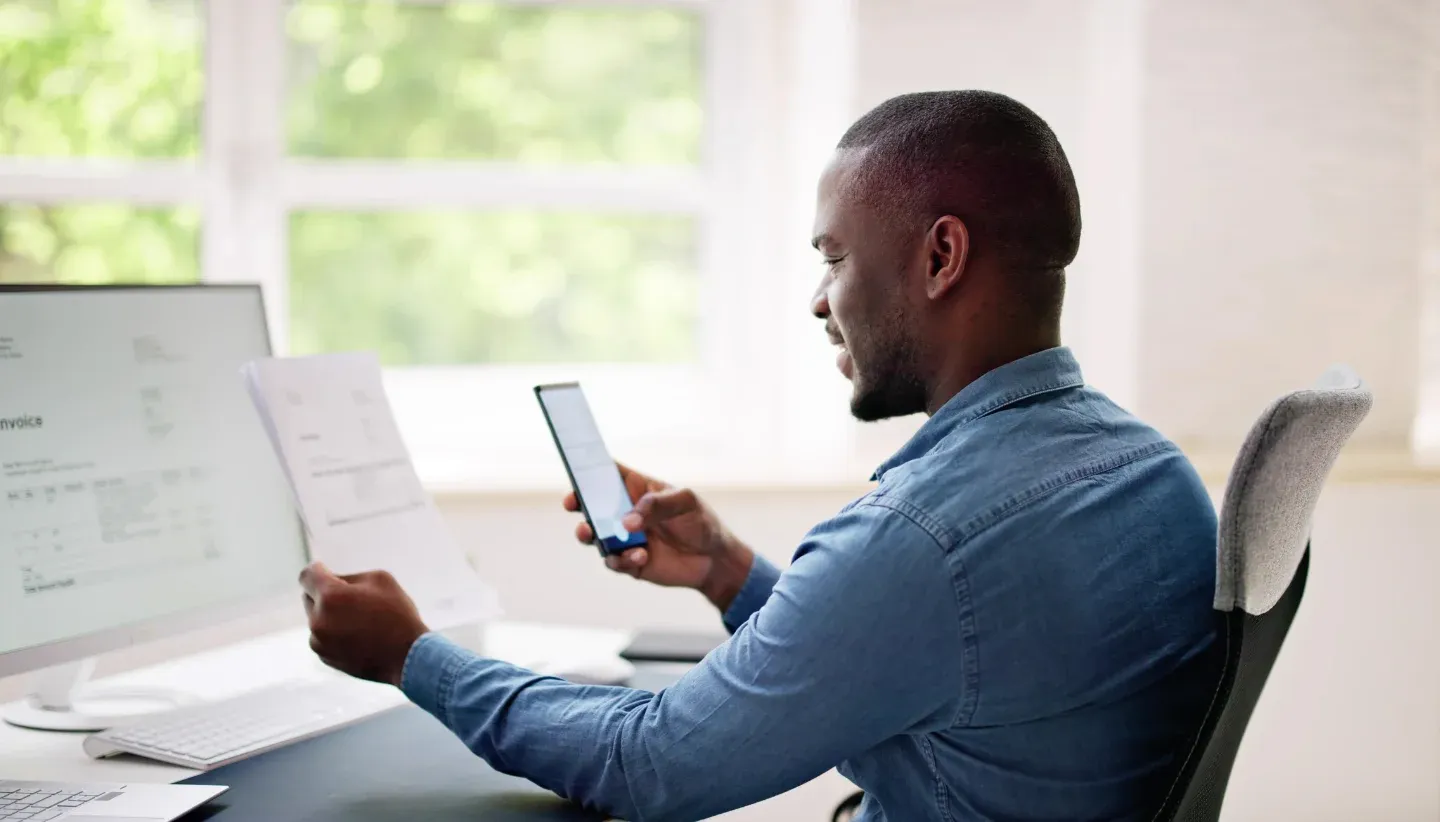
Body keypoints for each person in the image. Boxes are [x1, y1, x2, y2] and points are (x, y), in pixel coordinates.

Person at [299, 90, 1222, 821]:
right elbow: (924, 664)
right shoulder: (1151, 473)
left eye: (834, 257)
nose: (821, 300)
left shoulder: (922, 540)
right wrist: (727, 570)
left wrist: (411, 656)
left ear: (941, 256)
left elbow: (649, 766)